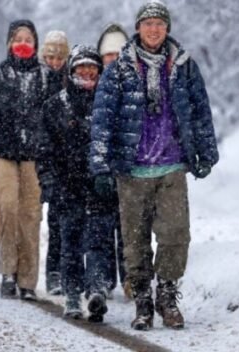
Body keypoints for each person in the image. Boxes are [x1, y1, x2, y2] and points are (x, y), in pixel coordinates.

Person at [89, 0, 219, 330]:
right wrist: (100, 164)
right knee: (135, 241)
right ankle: (143, 301)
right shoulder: (119, 69)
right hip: (131, 169)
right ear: (138, 29)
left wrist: (207, 152)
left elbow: (200, 111)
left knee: (176, 235)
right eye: (148, 24)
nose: (154, 29)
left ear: (167, 29)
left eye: (160, 24)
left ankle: (167, 295)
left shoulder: (184, 66)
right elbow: (102, 119)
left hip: (172, 166)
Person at [0, 20, 56, 300]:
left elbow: (57, 119)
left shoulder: (47, 77)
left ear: (36, 44)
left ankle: (27, 280)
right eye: (18, 39)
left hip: (34, 156)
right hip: (1, 153)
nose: (23, 44)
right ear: (9, 43)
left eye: (28, 39)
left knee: (31, 215)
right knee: (6, 209)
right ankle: (7, 271)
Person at [36, 45, 110, 320]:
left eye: (92, 67)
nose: (87, 72)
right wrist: (50, 183)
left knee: (99, 240)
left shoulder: (108, 103)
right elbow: (44, 150)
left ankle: (97, 290)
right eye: (81, 67)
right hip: (67, 185)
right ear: (71, 71)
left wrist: (112, 176)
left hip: (101, 185)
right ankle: (72, 294)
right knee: (71, 242)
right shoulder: (55, 106)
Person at [95, 22, 130, 300]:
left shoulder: (135, 83)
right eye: (108, 54)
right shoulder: (90, 82)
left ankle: (131, 277)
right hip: (102, 165)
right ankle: (105, 279)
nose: (113, 59)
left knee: (129, 225)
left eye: (118, 53)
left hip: (129, 165)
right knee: (103, 225)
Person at [39, 30, 70, 296]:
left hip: (67, 155)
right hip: (46, 154)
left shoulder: (71, 79)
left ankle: (66, 270)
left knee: (67, 219)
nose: (54, 62)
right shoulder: (37, 79)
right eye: (50, 57)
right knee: (54, 219)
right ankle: (53, 272)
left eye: (59, 58)